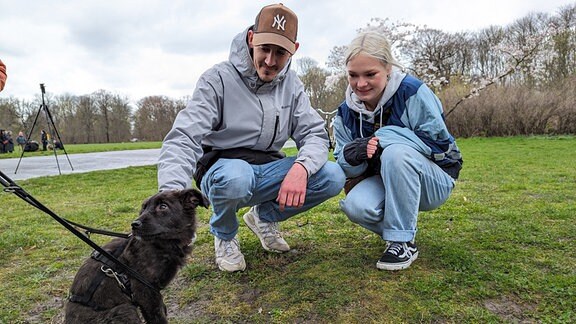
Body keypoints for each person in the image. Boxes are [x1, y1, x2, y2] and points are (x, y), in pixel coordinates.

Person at [157, 3, 345, 272]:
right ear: (250, 39)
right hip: (222, 171)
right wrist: (170, 197)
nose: (270, 61)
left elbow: (314, 133)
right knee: (236, 177)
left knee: (332, 175)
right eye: (264, 49)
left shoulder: (293, 85)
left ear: (294, 49)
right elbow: (184, 137)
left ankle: (263, 217)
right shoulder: (217, 79)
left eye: (280, 52)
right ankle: (224, 236)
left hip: (267, 169)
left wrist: (302, 168)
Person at [332, 31, 463, 271]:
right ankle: (403, 232)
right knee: (355, 206)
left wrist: (384, 138)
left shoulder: (413, 92)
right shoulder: (344, 113)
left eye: (370, 74)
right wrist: (353, 154)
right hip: (382, 178)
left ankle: (400, 242)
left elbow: (440, 146)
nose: (361, 84)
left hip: (434, 179)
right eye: (353, 75)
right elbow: (346, 166)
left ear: (388, 68)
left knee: (396, 153)